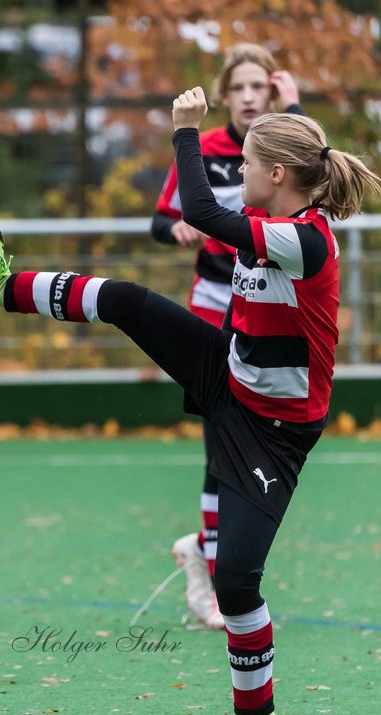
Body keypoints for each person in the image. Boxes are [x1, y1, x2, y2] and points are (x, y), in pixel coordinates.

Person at [0, 89, 381, 715]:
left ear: (277, 175)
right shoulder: (263, 211)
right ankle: (1, 286)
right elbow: (194, 215)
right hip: (228, 370)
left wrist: (185, 132)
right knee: (128, 300)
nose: (238, 170)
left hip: (274, 431)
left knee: (238, 585)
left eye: (246, 161)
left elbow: (198, 209)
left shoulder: (304, 239)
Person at [150, 44, 304, 631]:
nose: (246, 96)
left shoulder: (277, 152)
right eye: (236, 87)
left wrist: (297, 108)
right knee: (222, 443)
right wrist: (178, 229)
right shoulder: (209, 148)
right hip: (215, 305)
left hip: (263, 319)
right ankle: (217, 575)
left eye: (257, 87)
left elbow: (316, 177)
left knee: (240, 448)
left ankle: (204, 550)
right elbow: (161, 220)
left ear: (269, 93)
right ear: (224, 94)